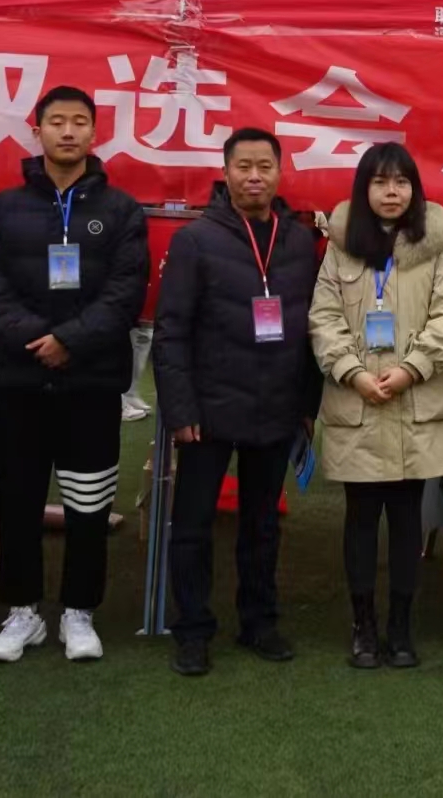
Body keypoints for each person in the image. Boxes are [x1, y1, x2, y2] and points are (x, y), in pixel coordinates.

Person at [0, 86, 148, 663]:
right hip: (21, 384)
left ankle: (79, 611)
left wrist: (71, 341)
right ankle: (22, 612)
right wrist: (39, 342)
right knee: (17, 503)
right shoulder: (3, 208)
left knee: (89, 505)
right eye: (56, 122)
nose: (68, 131)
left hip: (91, 385)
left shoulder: (121, 210)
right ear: (37, 131)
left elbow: (126, 291)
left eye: (78, 122)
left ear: (94, 133)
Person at [154, 129, 322, 677]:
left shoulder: (298, 241)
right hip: (209, 408)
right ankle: (192, 629)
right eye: (243, 166)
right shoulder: (196, 240)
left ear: (279, 172)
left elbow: (312, 329)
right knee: (193, 525)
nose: (254, 176)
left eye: (264, 166)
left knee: (262, 524)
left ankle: (259, 622)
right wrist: (180, 410)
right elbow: (171, 330)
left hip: (275, 403)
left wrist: (306, 403)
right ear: (225, 173)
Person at [308, 143, 443, 668]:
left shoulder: (436, 248)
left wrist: (410, 369)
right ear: (364, 189)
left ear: (415, 190)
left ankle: (400, 626)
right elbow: (323, 317)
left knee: (405, 519)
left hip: (414, 400)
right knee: (359, 517)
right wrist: (353, 373)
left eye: (401, 182)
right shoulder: (340, 247)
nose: (392, 192)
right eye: (380, 182)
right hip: (356, 402)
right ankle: (363, 625)